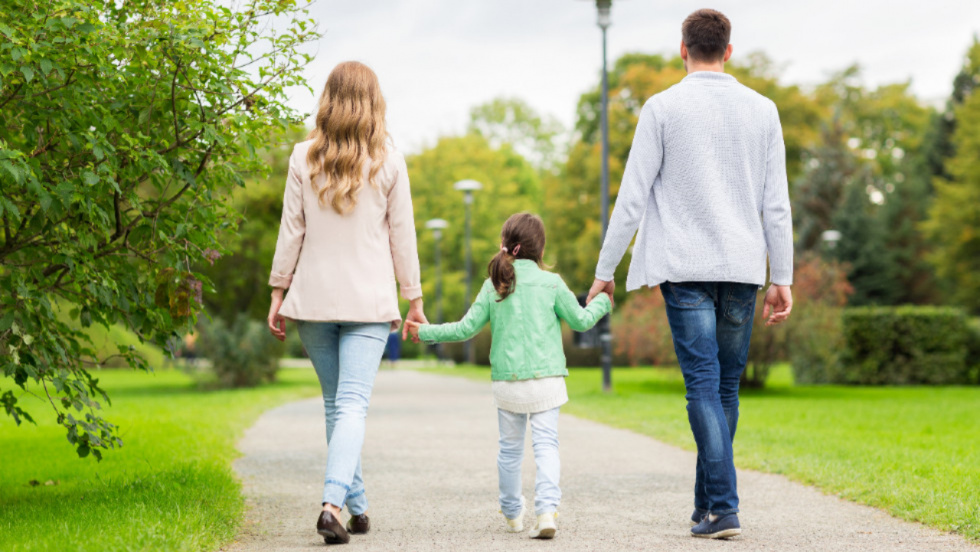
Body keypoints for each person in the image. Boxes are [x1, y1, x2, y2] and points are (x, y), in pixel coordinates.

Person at [586, 8, 794, 540]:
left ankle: (722, 506)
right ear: (728, 50)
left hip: (684, 266)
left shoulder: (661, 108)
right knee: (725, 387)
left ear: (683, 49)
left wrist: (605, 271)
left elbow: (631, 197)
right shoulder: (763, 110)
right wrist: (782, 276)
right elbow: (777, 205)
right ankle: (708, 506)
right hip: (744, 266)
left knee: (704, 383)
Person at [266, 61, 426, 545]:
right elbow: (404, 237)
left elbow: (291, 230)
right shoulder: (389, 160)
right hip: (369, 302)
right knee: (351, 404)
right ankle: (332, 504)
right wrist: (413, 298)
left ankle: (357, 507)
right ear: (374, 102)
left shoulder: (302, 157)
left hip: (312, 299)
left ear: (328, 99)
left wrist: (278, 291)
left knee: (338, 405)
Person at [405, 213, 611, 540]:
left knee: (510, 451)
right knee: (547, 446)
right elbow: (582, 321)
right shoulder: (552, 283)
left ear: (506, 245)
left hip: (508, 384)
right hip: (547, 381)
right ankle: (546, 511)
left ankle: (513, 513)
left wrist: (425, 332)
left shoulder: (494, 285)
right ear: (540, 249)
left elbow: (464, 329)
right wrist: (602, 301)